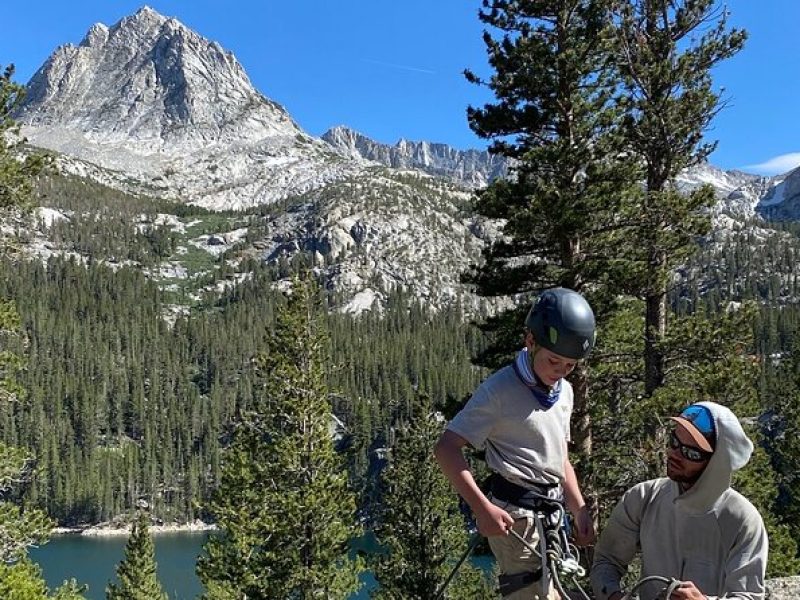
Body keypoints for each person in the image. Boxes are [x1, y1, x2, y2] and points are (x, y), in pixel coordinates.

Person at [434, 287, 596, 600]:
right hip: (516, 519)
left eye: (570, 366)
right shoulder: (499, 391)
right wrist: (482, 509)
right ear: (530, 341)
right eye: (554, 361)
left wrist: (578, 510)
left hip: (550, 516)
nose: (561, 372)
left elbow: (559, 457)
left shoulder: (563, 392)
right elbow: (446, 448)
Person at [591, 401, 768, 600]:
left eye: (691, 453)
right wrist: (615, 596)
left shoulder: (742, 520)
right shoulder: (643, 497)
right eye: (674, 442)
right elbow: (606, 562)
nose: (674, 454)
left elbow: (748, 596)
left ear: (716, 462)